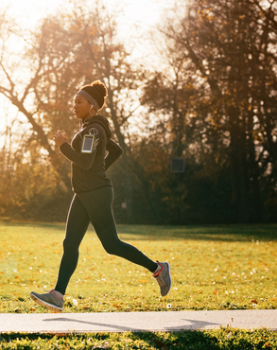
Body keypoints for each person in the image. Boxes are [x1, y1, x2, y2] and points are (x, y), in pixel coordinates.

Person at [30, 80, 172, 312]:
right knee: (70, 243)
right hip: (85, 192)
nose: (74, 105)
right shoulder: (91, 128)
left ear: (92, 106)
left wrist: (64, 146)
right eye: (74, 101)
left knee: (112, 244)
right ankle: (57, 295)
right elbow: (115, 150)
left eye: (79, 102)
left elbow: (85, 161)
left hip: (96, 193)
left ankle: (159, 269)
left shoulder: (93, 130)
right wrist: (100, 168)